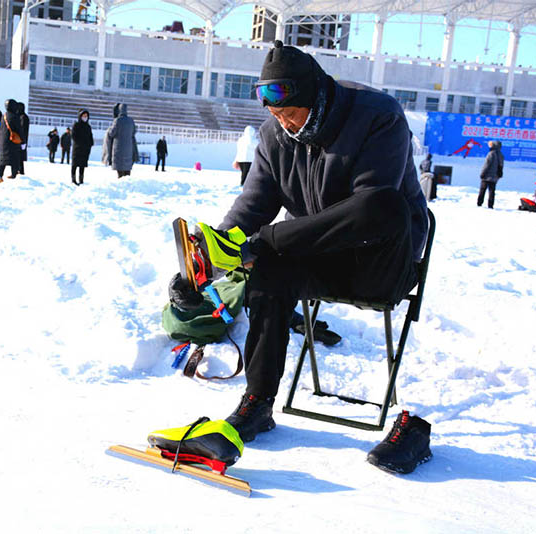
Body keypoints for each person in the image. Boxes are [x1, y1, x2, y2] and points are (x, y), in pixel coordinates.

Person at [167, 41, 430, 473]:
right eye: (275, 116)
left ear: (317, 99)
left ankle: (275, 247)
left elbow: (371, 214)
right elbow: (250, 210)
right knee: (268, 265)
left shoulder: (378, 117)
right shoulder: (275, 136)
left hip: (380, 265)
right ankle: (258, 401)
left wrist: (269, 239)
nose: (284, 124)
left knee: (381, 204)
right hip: (316, 258)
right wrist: (203, 265)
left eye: (291, 114)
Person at [103, 103, 137, 178]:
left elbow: (112, 133)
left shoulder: (117, 121)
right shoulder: (131, 121)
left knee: (120, 173)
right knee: (127, 173)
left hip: (119, 151)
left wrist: (108, 130)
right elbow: (134, 132)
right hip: (129, 151)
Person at [0, 99, 25, 185]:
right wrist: (23, 141)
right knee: (14, 159)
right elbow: (19, 129)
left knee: (3, 159)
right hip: (12, 141)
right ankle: (13, 176)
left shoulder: (3, 116)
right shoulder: (15, 117)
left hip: (3, 141)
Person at [477, 141, 504, 209]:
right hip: (495, 176)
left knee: (482, 190)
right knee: (492, 191)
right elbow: (501, 166)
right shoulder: (501, 155)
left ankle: (479, 203)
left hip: (487, 176)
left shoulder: (491, 154)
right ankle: (490, 205)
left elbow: (487, 165)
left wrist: (482, 173)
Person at [70, 109, 93, 185]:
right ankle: (73, 179)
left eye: (86, 116)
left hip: (85, 149)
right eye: (83, 116)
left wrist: (90, 144)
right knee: (75, 164)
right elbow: (73, 136)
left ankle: (81, 179)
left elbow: (90, 136)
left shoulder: (88, 127)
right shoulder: (76, 125)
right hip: (77, 148)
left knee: (82, 165)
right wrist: (79, 143)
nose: (85, 117)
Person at [18, 102, 30, 174]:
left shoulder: (23, 117)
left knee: (20, 156)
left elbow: (22, 129)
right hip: (21, 139)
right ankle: (19, 169)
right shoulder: (22, 116)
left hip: (21, 140)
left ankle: (20, 170)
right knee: (19, 156)